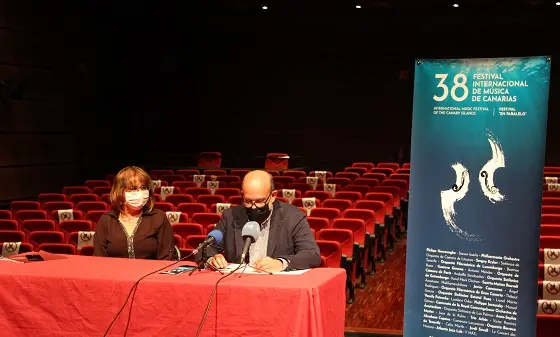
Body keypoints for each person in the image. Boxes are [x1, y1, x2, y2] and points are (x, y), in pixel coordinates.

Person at [205, 170, 321, 272]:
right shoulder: (230, 216)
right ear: (242, 195)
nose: (254, 207)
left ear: (273, 196)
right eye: (248, 201)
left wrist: (281, 263)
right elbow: (205, 249)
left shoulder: (293, 217)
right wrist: (212, 258)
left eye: (260, 201)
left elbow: (312, 255)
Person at [93, 166, 175, 260]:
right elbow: (99, 259)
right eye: (133, 188)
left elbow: (166, 259)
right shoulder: (106, 220)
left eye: (143, 187)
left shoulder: (158, 218)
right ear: (120, 192)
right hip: (114, 273)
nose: (140, 192)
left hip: (150, 273)